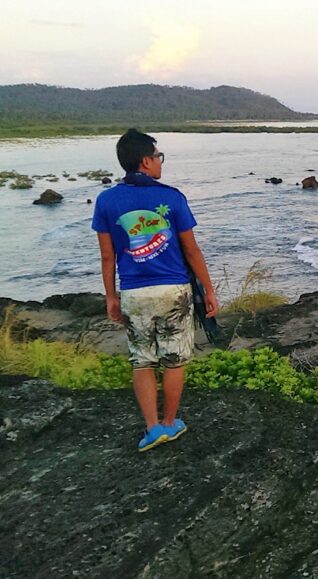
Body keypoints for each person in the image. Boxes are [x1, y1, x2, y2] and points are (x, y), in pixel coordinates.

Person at [91, 129, 219, 452]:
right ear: (146, 161)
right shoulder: (172, 198)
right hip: (174, 290)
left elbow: (107, 257)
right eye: (158, 156)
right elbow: (192, 251)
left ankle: (151, 428)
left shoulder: (107, 201)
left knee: (142, 360)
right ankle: (169, 422)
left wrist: (111, 296)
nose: (160, 162)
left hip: (134, 292)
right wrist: (209, 290)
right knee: (174, 360)